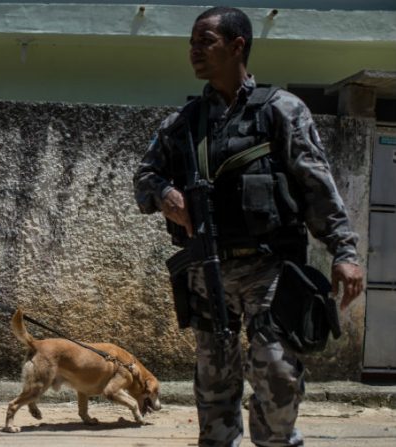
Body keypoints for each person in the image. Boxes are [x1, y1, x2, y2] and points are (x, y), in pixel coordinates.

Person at [134, 7, 364, 447]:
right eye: (192, 43)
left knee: (278, 373)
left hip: (271, 269)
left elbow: (316, 184)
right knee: (214, 386)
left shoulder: (280, 110)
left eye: (206, 41)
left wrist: (345, 252)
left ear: (238, 45)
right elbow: (144, 176)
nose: (194, 51)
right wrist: (163, 194)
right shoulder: (184, 123)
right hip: (207, 270)